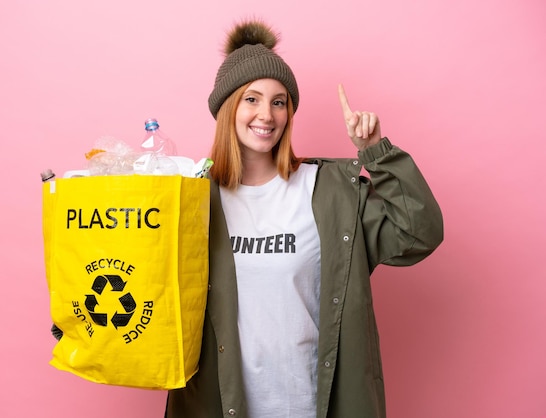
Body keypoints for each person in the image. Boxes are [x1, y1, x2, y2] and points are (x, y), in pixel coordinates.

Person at [164, 19, 443, 418]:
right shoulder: (192, 198)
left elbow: (419, 233)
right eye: (252, 99)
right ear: (228, 107)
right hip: (221, 405)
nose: (267, 114)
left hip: (312, 405)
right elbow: (148, 287)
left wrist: (376, 153)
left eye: (279, 102)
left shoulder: (329, 192)